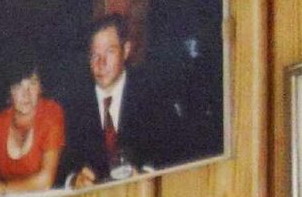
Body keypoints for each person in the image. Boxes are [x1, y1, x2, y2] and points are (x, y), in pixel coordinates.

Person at [66, 12, 205, 187]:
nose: (101, 63)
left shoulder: (153, 93)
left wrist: (146, 175)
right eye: (95, 55)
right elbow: (63, 166)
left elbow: (178, 153)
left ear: (126, 50)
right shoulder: (74, 103)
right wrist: (73, 180)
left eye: (110, 51)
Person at [0, 63, 65, 194]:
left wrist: (1, 187)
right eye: (18, 86)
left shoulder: (51, 113)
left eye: (32, 83)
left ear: (40, 87)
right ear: (9, 92)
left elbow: (45, 181)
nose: (26, 94)